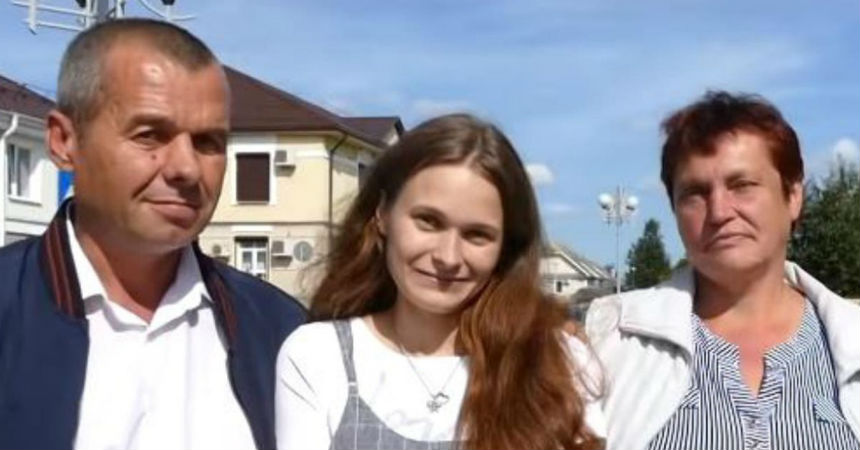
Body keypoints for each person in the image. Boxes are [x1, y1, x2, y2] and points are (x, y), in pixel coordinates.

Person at [0, 19, 306, 450]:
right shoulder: (10, 308)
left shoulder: (281, 331)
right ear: (64, 142)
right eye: (149, 135)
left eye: (208, 142)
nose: (186, 168)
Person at [275, 114, 605, 450]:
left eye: (477, 235)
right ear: (382, 214)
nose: (448, 256)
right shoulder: (319, 356)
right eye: (428, 221)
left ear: (506, 247)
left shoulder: (560, 363)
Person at [586, 91, 860, 450]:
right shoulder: (611, 340)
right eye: (695, 193)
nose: (719, 212)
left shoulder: (849, 342)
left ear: (793, 196)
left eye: (742, 186)